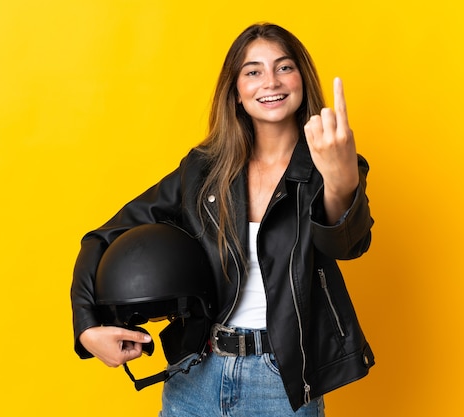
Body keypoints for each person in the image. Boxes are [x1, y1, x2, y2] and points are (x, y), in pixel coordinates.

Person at [71, 22, 375, 416]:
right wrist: (86, 327)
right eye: (253, 71)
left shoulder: (332, 165)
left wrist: (340, 182)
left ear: (302, 79)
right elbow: (101, 238)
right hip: (196, 374)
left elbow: (346, 245)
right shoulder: (203, 170)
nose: (271, 81)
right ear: (236, 92)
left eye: (284, 67)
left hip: (280, 384)